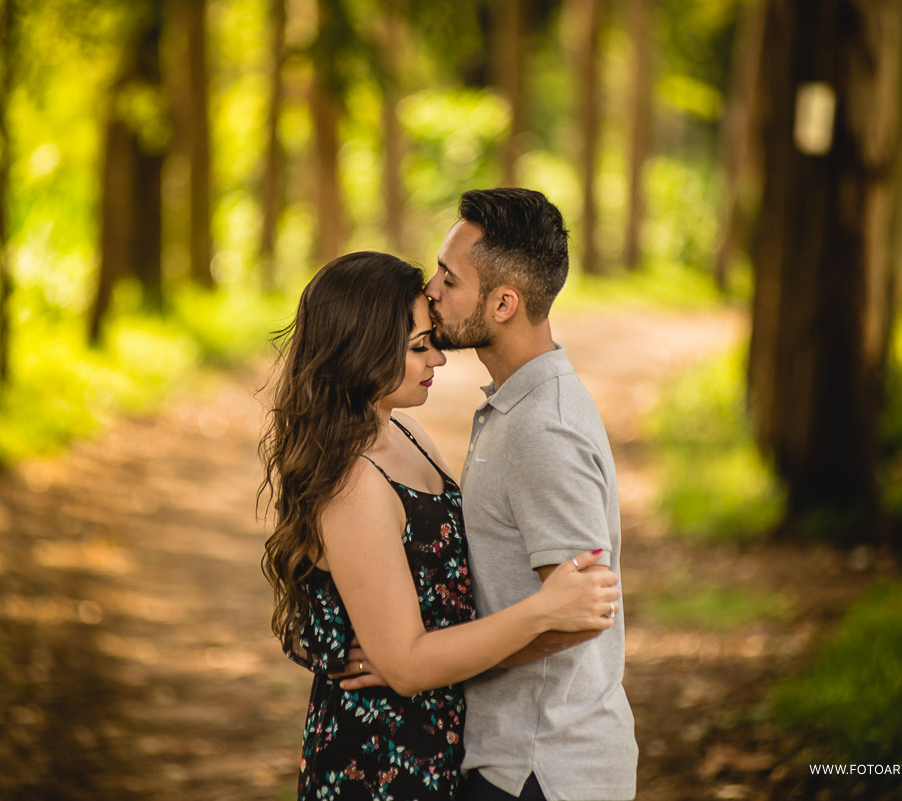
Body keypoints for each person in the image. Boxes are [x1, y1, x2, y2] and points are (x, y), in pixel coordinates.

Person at [259, 250, 622, 801]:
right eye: (417, 347)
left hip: (441, 737)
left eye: (430, 340)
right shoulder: (352, 484)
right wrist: (541, 610)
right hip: (384, 759)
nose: (439, 360)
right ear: (360, 352)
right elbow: (404, 664)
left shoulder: (406, 435)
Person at [420, 188, 638, 801]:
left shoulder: (545, 429)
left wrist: (427, 663)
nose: (430, 290)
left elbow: (576, 618)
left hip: (542, 768)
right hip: (517, 758)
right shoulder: (516, 406)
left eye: (448, 278)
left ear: (504, 303)